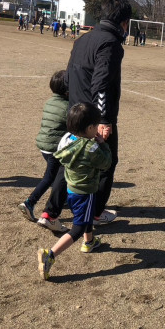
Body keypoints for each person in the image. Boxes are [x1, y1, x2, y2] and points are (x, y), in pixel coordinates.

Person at [60, 0, 132, 224]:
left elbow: (68, 76)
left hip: (75, 112)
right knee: (106, 162)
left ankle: (54, 209)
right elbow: (101, 85)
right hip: (94, 117)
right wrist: (103, 120)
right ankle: (95, 212)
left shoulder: (83, 39)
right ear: (124, 22)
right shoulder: (111, 44)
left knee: (73, 159)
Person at [37, 102, 112, 280]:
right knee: (78, 227)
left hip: (71, 190)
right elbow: (106, 163)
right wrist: (103, 144)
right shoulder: (91, 148)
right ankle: (50, 255)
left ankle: (89, 241)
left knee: (85, 217)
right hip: (85, 191)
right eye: (96, 125)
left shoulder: (68, 140)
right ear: (90, 128)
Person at [18, 70, 69, 225]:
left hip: (44, 146)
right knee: (50, 177)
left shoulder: (50, 102)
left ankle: (63, 198)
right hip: (54, 148)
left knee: (57, 175)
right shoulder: (67, 107)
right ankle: (30, 202)